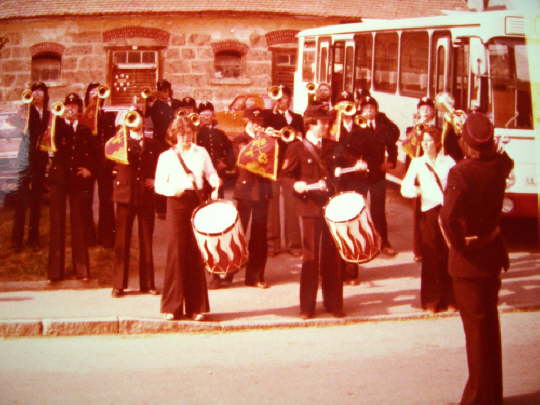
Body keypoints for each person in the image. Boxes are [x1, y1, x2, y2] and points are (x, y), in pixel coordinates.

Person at [440, 113, 513, 405]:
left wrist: (460, 246)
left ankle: (478, 399)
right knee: (490, 329)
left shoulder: (461, 173)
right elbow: (497, 155)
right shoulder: (500, 165)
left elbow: (447, 217)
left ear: (466, 142)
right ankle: (492, 394)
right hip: (492, 255)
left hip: (469, 260)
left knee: (476, 334)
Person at [154, 114, 220, 321]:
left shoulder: (201, 152)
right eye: (182, 134)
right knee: (176, 253)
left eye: (190, 133)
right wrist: (175, 190)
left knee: (195, 252)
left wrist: (216, 182)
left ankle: (196, 307)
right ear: (175, 135)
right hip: (176, 203)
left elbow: (210, 173)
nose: (187, 138)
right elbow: (159, 185)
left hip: (196, 202)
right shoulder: (166, 157)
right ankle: (172, 307)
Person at [281, 108, 344, 319]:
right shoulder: (296, 148)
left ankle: (333, 303)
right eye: (321, 123)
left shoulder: (333, 146)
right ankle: (307, 307)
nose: (326, 126)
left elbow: (346, 165)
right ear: (310, 124)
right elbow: (285, 176)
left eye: (327, 123)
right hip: (309, 208)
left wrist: (358, 164)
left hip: (332, 207)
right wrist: (296, 185)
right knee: (311, 256)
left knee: (332, 256)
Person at [400, 126, 455, 312]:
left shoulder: (448, 161)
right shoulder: (417, 162)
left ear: (437, 142)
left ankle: (450, 300)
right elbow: (404, 188)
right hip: (429, 213)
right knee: (431, 256)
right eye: (423, 141)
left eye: (429, 141)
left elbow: (457, 185)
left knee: (448, 255)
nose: (425, 144)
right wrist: (418, 190)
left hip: (446, 213)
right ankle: (431, 301)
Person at [47, 93, 97, 282]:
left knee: (79, 223)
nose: (70, 109)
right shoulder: (56, 127)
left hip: (77, 180)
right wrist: (54, 119)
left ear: (79, 109)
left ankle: (82, 269)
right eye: (68, 106)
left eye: (74, 106)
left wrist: (89, 170)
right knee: (57, 223)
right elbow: (45, 144)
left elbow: (96, 153)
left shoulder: (85, 129)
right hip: (59, 180)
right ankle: (55, 272)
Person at [110, 111, 160, 298]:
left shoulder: (153, 143)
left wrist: (155, 179)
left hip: (145, 195)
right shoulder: (119, 142)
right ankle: (118, 285)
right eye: (131, 118)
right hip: (125, 195)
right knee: (122, 240)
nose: (136, 122)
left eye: (138, 118)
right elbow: (109, 163)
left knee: (146, 239)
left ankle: (147, 283)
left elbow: (159, 165)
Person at [230, 107, 273, 289]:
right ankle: (226, 273)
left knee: (259, 235)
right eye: (254, 123)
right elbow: (247, 160)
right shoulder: (239, 140)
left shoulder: (268, 140)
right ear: (246, 121)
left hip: (262, 191)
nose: (257, 126)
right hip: (246, 190)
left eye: (260, 123)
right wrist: (263, 141)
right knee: (237, 233)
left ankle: (255, 276)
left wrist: (271, 140)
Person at [332, 91, 370, 285]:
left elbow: (373, 147)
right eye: (342, 104)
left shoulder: (361, 126)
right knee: (339, 224)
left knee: (354, 224)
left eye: (349, 104)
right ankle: (337, 269)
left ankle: (352, 270)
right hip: (339, 181)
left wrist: (365, 163)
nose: (346, 108)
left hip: (357, 180)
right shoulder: (332, 127)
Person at [263, 85, 304, 256]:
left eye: (285, 98)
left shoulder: (297, 118)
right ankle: (272, 245)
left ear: (290, 99)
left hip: (292, 167)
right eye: (278, 99)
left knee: (292, 205)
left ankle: (294, 244)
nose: (282, 102)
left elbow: (302, 137)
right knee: (272, 206)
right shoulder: (268, 117)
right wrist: (268, 132)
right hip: (274, 164)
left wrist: (300, 136)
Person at [357, 96, 400, 257]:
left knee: (378, 209)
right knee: (359, 209)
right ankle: (362, 243)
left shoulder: (382, 125)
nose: (369, 112)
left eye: (372, 108)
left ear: (376, 110)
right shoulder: (356, 124)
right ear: (361, 110)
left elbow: (392, 144)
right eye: (366, 109)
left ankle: (384, 242)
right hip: (359, 173)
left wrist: (391, 161)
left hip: (378, 172)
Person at [10, 82, 50, 251]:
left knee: (36, 202)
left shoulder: (49, 114)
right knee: (21, 201)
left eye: (41, 92)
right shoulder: (25, 111)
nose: (37, 95)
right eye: (35, 92)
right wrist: (24, 107)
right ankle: (16, 241)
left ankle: (33, 239)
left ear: (45, 95)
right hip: (26, 160)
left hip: (40, 161)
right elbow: (16, 127)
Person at [81, 82, 117, 248]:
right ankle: (88, 238)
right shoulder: (83, 117)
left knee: (106, 201)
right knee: (86, 202)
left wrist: (110, 162)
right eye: (92, 93)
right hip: (88, 164)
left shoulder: (107, 116)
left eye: (98, 93)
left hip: (104, 164)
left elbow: (112, 141)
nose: (95, 96)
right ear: (87, 96)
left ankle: (107, 238)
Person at [145, 79, 182, 218]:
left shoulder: (178, 103)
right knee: (161, 174)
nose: (163, 93)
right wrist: (147, 102)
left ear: (169, 90)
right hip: (161, 144)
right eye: (160, 91)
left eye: (165, 91)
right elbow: (145, 115)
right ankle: (161, 209)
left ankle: (177, 206)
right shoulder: (155, 105)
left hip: (177, 142)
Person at [196, 101, 235, 197]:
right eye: (203, 115)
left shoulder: (220, 133)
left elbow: (230, 149)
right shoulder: (195, 134)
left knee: (218, 198)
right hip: (201, 170)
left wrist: (226, 164)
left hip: (218, 170)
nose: (206, 117)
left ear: (213, 116)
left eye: (208, 114)